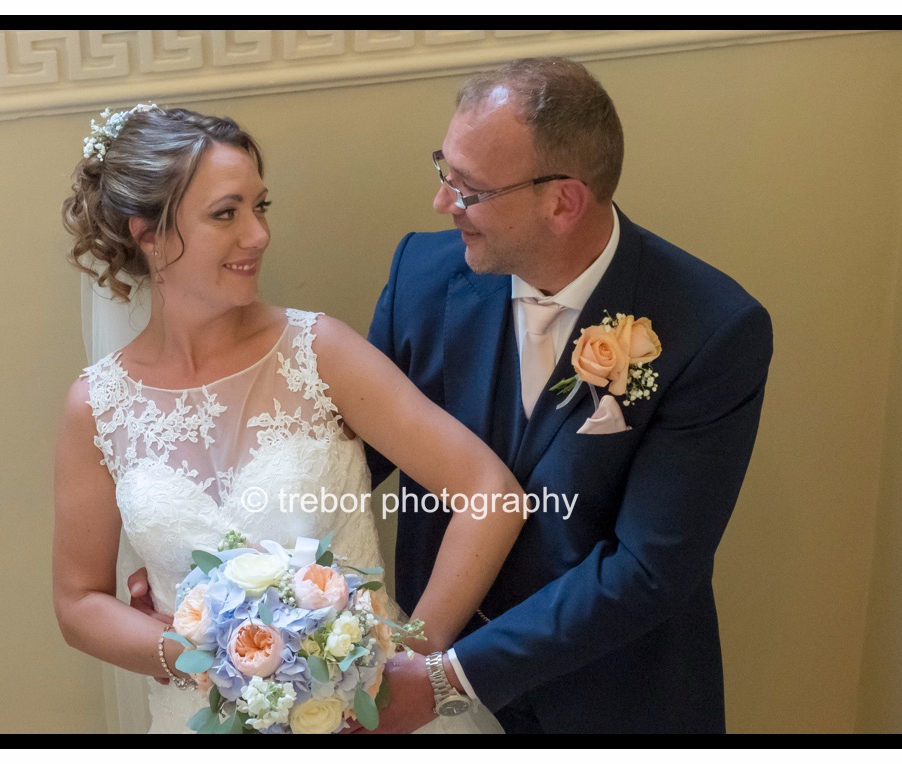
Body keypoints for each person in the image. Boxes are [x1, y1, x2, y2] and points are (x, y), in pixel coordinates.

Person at [52, 104, 521, 734]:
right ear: (149, 234)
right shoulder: (96, 406)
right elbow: (77, 601)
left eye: (259, 206)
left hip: (366, 722)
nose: (258, 235)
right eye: (226, 214)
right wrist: (193, 660)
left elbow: (491, 494)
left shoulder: (319, 351)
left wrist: (413, 659)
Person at [363, 57, 773, 733]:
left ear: (563, 202)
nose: (443, 204)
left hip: (614, 701)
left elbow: (648, 567)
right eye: (445, 172)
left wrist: (450, 677)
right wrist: (203, 560)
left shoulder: (714, 329)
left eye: (468, 188)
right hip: (434, 691)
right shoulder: (420, 275)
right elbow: (353, 454)